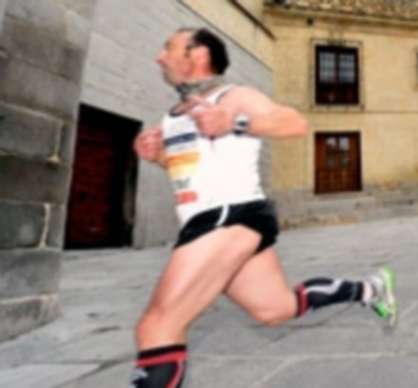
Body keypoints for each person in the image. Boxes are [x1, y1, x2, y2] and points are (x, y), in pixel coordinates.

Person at [130, 28, 397, 388]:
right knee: (275, 309)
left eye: (168, 48)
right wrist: (157, 156)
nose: (159, 58)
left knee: (157, 326)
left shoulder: (234, 95)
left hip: (229, 216)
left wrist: (234, 122)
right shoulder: (174, 115)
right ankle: (370, 290)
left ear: (199, 56)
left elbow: (294, 123)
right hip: (214, 221)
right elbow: (194, 169)